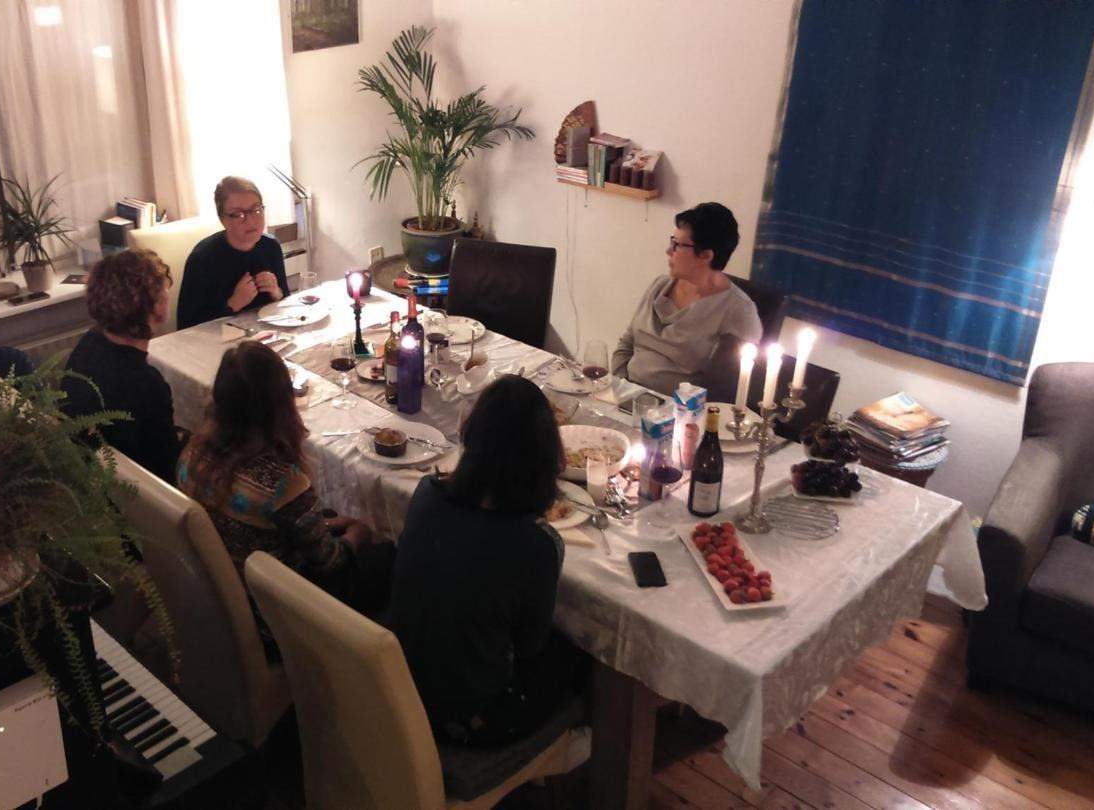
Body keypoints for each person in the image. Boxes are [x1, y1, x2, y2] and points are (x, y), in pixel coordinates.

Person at [387, 375, 582, 747]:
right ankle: (579, 750)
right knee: (580, 655)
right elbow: (530, 646)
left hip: (402, 685)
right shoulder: (537, 543)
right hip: (471, 718)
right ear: (545, 460)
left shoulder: (427, 493)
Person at [177, 341, 392, 620]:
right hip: (277, 609)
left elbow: (274, 524)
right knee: (389, 554)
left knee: (332, 519)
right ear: (280, 404)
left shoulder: (192, 452)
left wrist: (325, 523)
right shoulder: (282, 485)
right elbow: (330, 562)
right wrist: (359, 533)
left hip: (221, 586)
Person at [612, 202, 762, 395]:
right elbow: (626, 343)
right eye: (671, 241)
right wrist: (620, 386)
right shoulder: (659, 285)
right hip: (626, 393)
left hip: (678, 408)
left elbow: (728, 389)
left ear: (706, 255)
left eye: (677, 245)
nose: (668, 251)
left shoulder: (739, 311)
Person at [62, 248, 185, 484]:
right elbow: (168, 470)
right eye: (165, 290)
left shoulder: (88, 343)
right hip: (135, 494)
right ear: (157, 307)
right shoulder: (146, 383)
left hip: (88, 480)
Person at [176, 176, 290, 328]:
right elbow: (185, 325)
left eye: (256, 210)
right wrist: (232, 304)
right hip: (220, 339)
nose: (251, 221)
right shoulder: (202, 258)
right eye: (239, 215)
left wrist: (276, 292)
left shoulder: (271, 246)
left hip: (266, 333)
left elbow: (286, 302)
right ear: (223, 219)